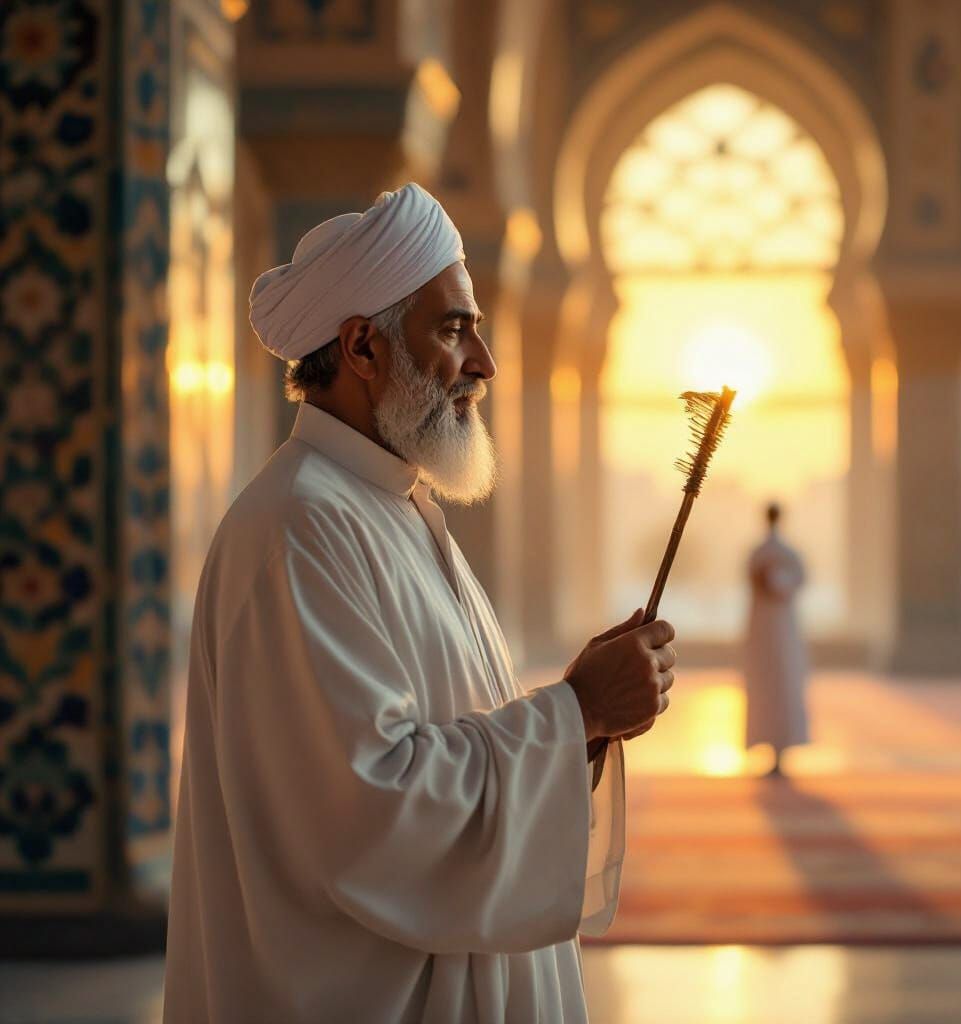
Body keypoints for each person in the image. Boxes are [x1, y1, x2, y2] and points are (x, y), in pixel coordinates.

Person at [163, 183, 677, 1024]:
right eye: (452, 328)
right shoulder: (301, 526)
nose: (485, 362)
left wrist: (584, 718)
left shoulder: (391, 508)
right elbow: (370, 810)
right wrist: (574, 711)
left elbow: (449, 740)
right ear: (363, 347)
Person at [743, 502, 809, 777]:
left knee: (780, 683)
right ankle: (773, 750)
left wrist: (776, 584)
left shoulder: (767, 553)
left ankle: (780, 751)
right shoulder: (777, 553)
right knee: (770, 685)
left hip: (777, 629)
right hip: (771, 629)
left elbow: (794, 583)